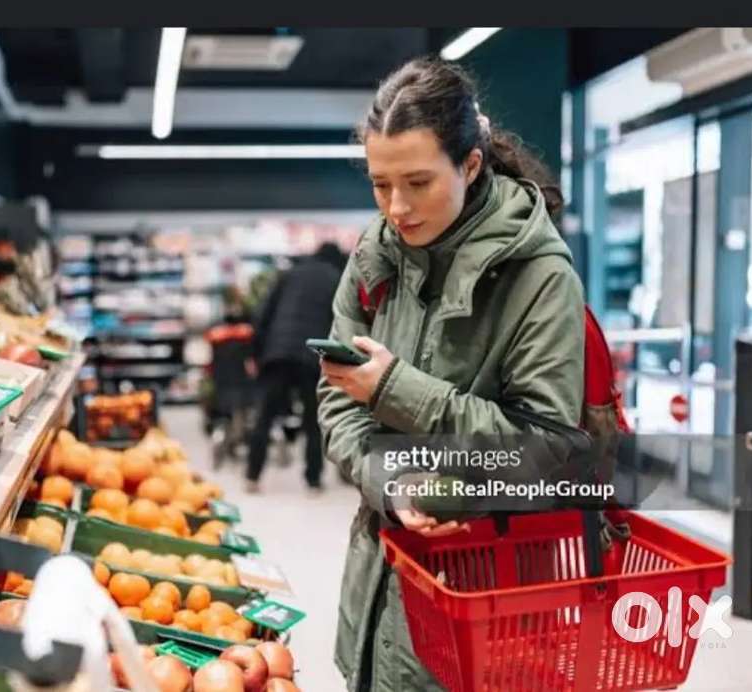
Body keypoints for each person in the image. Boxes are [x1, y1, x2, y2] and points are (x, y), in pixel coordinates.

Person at [317, 58, 585, 691]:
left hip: (486, 596)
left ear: (470, 164)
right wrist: (390, 480)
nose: (397, 207)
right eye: (380, 185)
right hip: (379, 578)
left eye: (417, 182)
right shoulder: (373, 254)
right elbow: (336, 398)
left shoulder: (539, 279)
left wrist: (394, 389)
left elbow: (547, 447)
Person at [247, 242, 346, 493]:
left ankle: (252, 476)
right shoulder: (337, 279)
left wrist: (256, 354)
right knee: (312, 421)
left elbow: (263, 314)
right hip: (312, 356)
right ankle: (313, 480)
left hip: (277, 353)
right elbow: (341, 325)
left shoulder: (290, 273)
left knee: (265, 417)